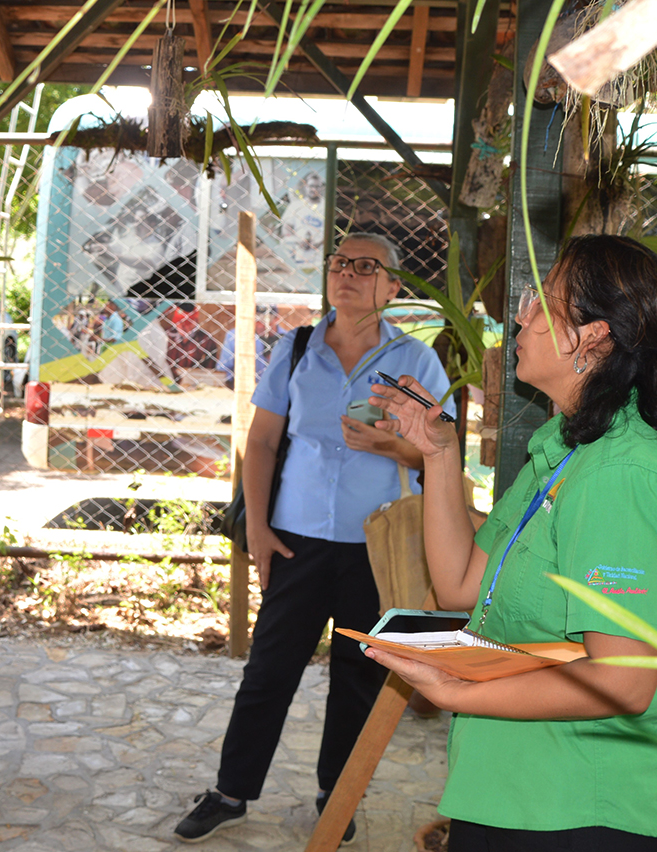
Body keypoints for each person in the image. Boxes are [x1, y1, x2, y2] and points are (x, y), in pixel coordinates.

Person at [367, 235, 657, 852]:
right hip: (512, 789)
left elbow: (624, 681)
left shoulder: (620, 471)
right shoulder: (567, 447)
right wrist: (438, 455)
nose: (520, 317)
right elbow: (461, 585)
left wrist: (461, 690)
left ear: (593, 337)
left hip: (578, 808)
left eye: (540, 301)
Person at [173, 233, 453, 844]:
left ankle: (337, 796)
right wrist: (258, 530)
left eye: (365, 266)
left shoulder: (414, 360)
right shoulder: (296, 347)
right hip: (295, 541)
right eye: (339, 263)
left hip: (375, 548)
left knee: (357, 676)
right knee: (268, 671)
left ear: (393, 287)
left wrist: (389, 444)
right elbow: (262, 442)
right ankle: (231, 792)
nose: (347, 273)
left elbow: (439, 449)